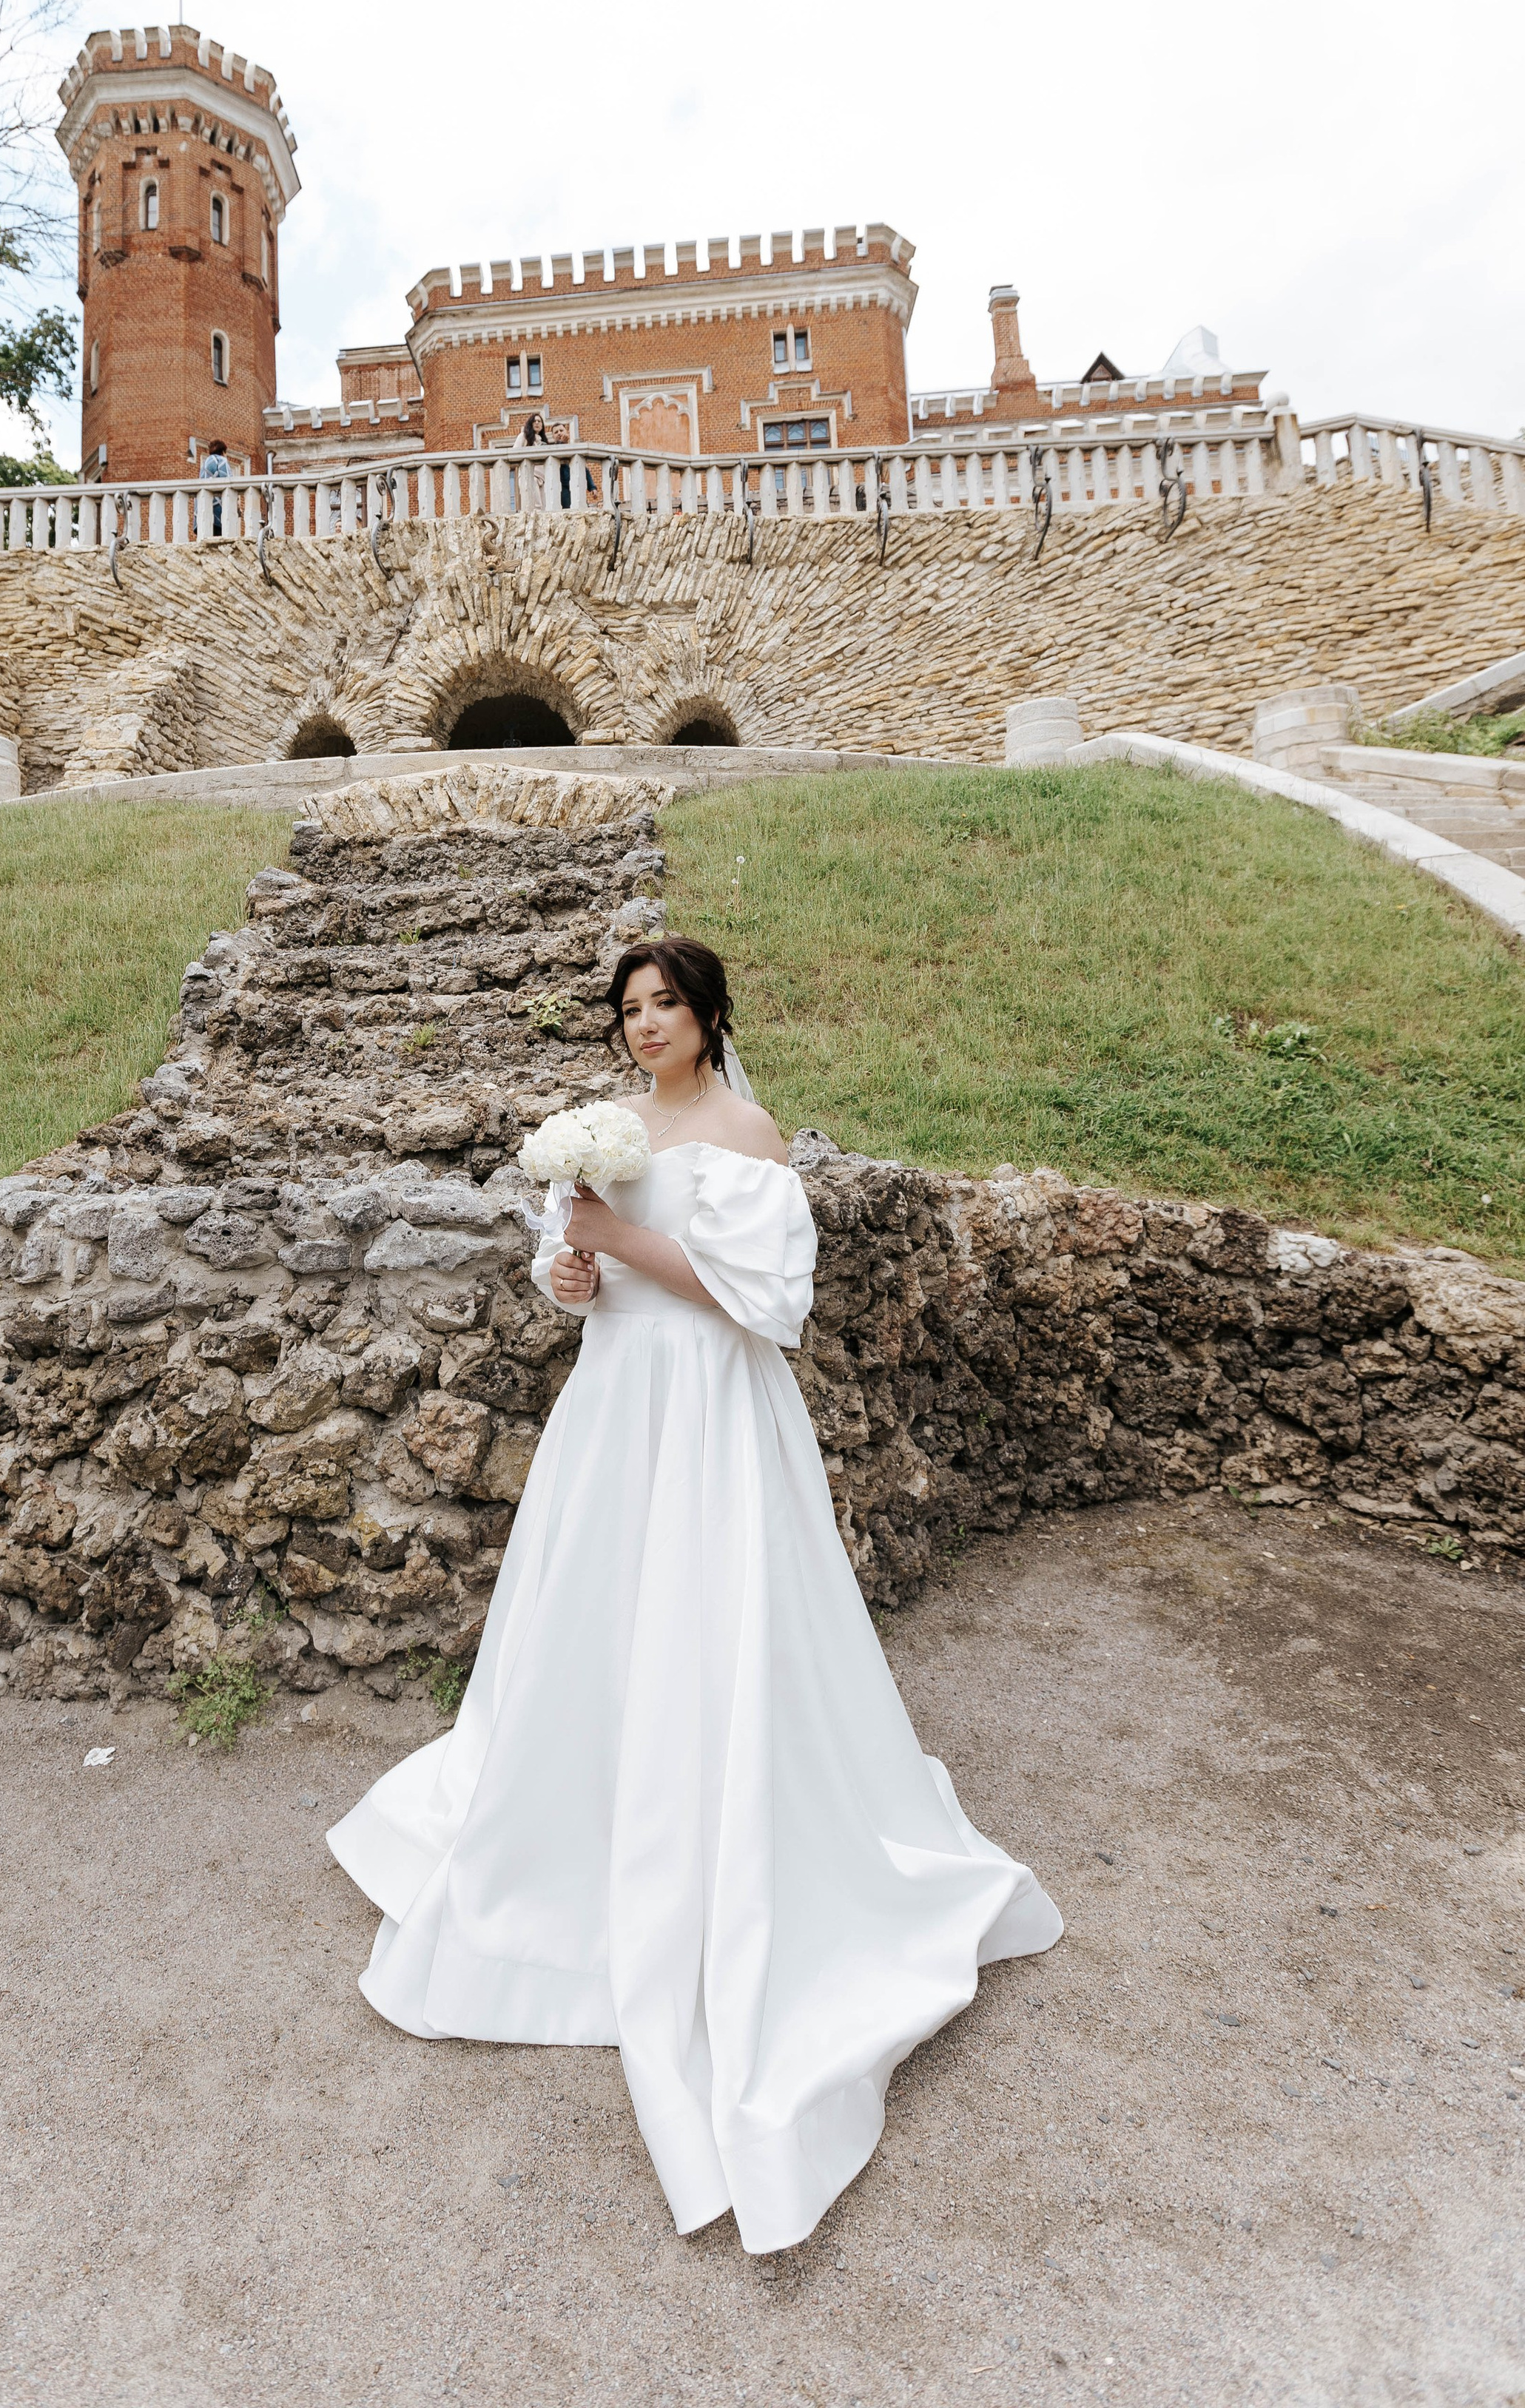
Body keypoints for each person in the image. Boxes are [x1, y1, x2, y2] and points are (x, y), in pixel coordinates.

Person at [329, 938, 1063, 2256]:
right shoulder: (600, 1139)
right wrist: (575, 1268)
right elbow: (580, 1275)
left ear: (709, 1015)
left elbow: (762, 1299)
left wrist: (625, 1234)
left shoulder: (746, 1132)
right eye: (627, 1010)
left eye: (663, 1005)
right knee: (595, 1626)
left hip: (715, 1409)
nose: (643, 1026)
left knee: (714, 1623)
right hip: (617, 1406)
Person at [201, 437, 230, 536]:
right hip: (218, 513)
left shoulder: (205, 463)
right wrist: (237, 507)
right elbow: (228, 482)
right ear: (223, 452)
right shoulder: (222, 460)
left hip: (202, 514)